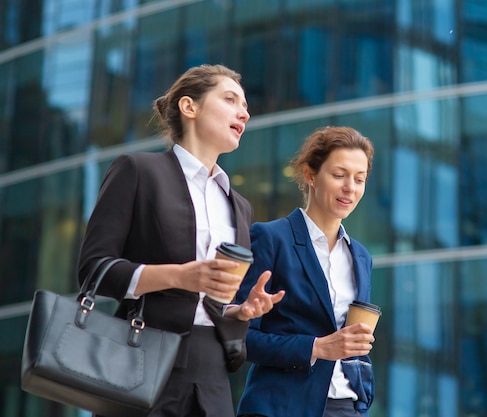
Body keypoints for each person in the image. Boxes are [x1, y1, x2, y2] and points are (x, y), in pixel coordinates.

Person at [77, 64, 285, 417]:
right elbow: (94, 269)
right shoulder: (137, 170)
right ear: (190, 107)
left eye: (245, 105)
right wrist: (177, 276)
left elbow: (211, 305)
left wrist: (241, 310)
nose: (244, 113)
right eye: (230, 99)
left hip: (211, 372)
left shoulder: (240, 206)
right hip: (140, 356)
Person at [235, 126, 376, 417]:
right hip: (282, 406)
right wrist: (316, 347)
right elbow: (242, 337)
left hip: (347, 406)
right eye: (339, 175)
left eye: (359, 179)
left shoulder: (360, 256)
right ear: (310, 175)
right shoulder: (272, 238)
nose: (350, 187)